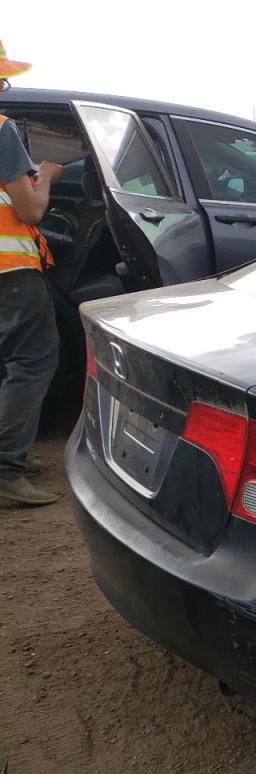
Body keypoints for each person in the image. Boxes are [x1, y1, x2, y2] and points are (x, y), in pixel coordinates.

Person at [0, 38, 63, 506]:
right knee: (33, 359)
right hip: (10, 271)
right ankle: (7, 467)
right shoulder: (0, 129)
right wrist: (47, 177)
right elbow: (31, 211)